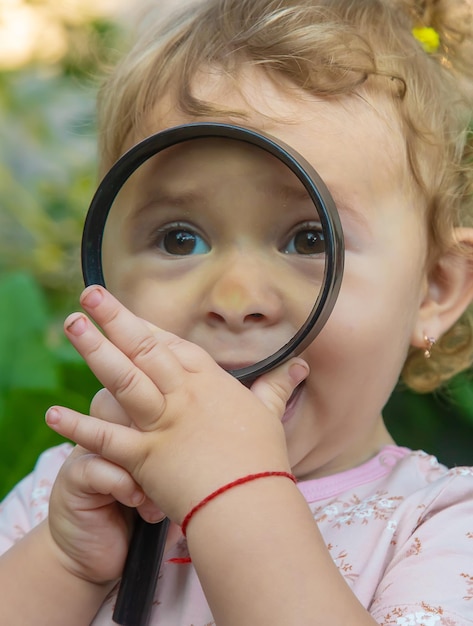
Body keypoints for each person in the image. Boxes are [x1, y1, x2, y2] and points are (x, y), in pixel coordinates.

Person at [1, 0, 473, 624]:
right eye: (179, 238)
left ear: (434, 290)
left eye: (310, 239)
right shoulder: (67, 495)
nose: (234, 301)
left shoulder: (440, 528)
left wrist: (234, 496)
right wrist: (65, 563)